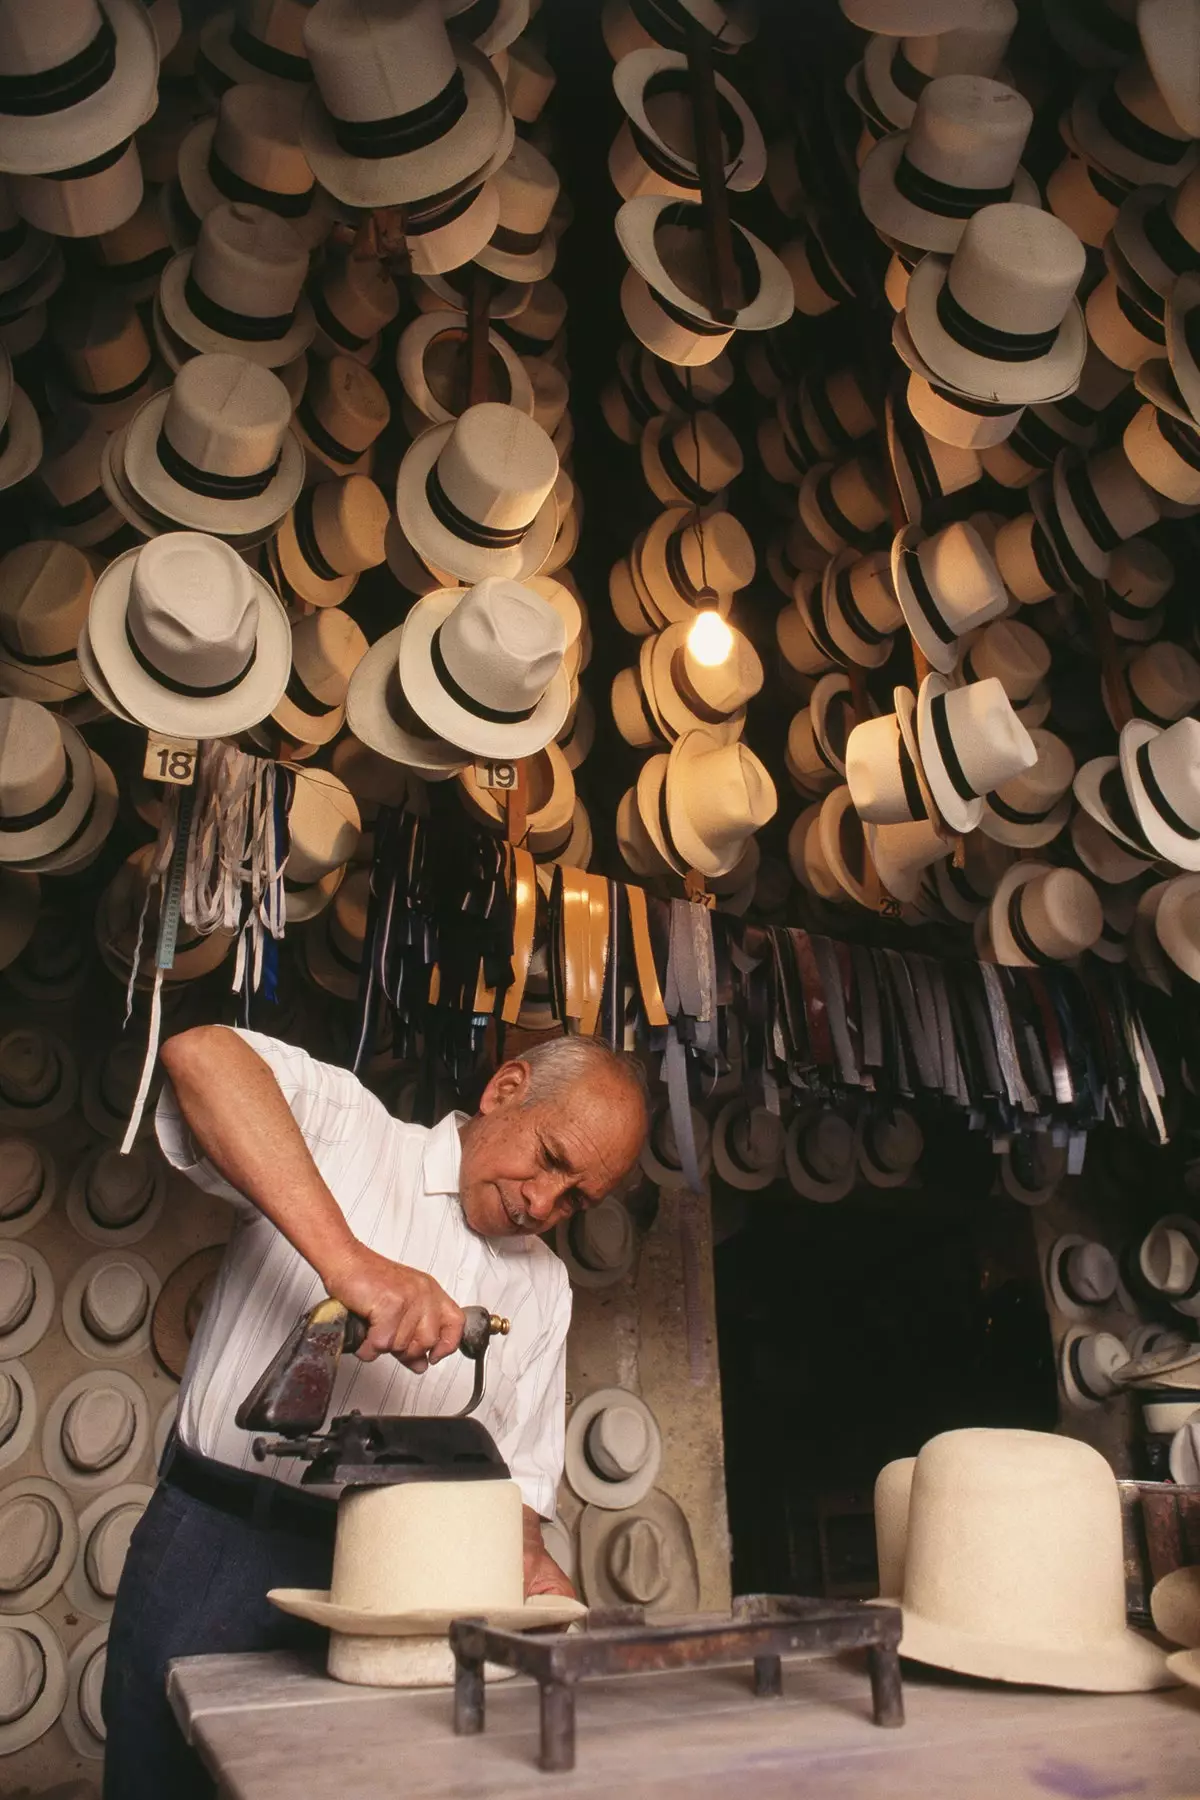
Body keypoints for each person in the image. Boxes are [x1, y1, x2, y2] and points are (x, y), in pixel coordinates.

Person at [102, 1025, 648, 1800]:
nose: (540, 1203)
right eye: (551, 1160)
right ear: (506, 1091)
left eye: (574, 1199)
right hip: (222, 1545)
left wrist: (530, 1564)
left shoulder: (545, 1289)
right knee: (163, 1783)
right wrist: (349, 1261)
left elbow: (521, 1484)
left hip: (403, 1590)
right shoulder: (352, 1135)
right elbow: (201, 1056)